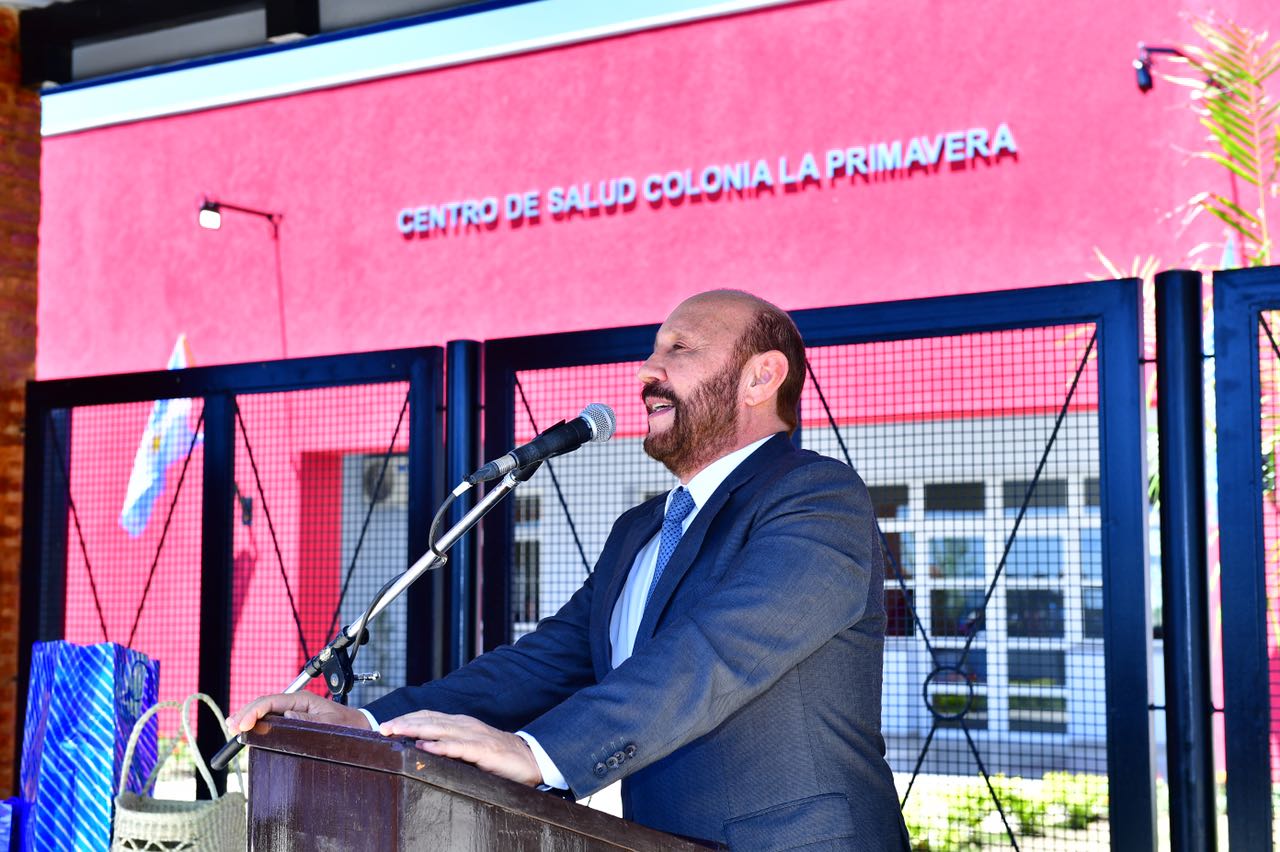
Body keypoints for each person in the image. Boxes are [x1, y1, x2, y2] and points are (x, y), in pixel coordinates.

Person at [230, 290, 910, 850]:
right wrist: (370, 726)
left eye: (679, 349)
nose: (647, 371)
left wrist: (542, 752)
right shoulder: (639, 531)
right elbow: (540, 667)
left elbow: (716, 653)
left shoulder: (818, 498)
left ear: (762, 376)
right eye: (650, 352)